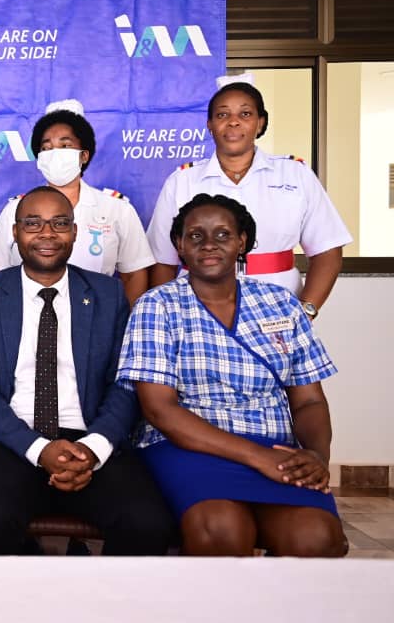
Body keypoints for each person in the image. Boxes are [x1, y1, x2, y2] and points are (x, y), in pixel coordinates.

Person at [117, 193, 347, 557]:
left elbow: (310, 399)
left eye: (223, 235)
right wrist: (258, 458)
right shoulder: (157, 305)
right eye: (195, 236)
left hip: (277, 447)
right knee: (222, 530)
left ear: (242, 242)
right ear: (179, 245)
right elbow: (160, 410)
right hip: (188, 446)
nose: (209, 244)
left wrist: (317, 455)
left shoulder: (282, 303)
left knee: (315, 538)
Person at [0, 186, 172, 556]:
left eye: (59, 223)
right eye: (33, 223)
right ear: (15, 232)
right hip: (11, 440)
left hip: (90, 438)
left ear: (74, 232)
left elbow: (123, 382)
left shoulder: (108, 294)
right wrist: (38, 449)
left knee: (148, 522)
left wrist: (93, 448)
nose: (46, 234)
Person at [147, 77, 351, 318]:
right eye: (222, 115)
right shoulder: (182, 181)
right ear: (209, 125)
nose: (233, 122)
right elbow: (163, 261)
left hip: (278, 307)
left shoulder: (295, 174)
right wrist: (165, 317)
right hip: (197, 308)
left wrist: (306, 311)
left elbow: (327, 250)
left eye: (245, 114)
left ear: (260, 123)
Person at [0, 100, 154, 305]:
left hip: (95, 323)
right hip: (26, 321)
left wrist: (119, 326)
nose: (55, 153)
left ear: (84, 155)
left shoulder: (117, 209)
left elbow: (134, 275)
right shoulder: (15, 209)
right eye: (46, 148)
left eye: (65, 145)